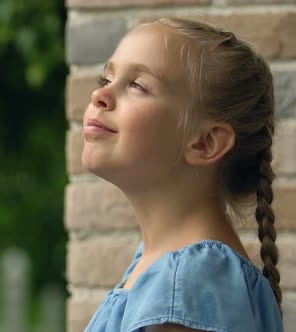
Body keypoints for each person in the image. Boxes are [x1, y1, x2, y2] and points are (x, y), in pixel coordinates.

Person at [81, 17, 284, 332]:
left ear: (205, 142)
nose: (100, 96)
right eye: (105, 78)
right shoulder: (171, 271)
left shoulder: (188, 280)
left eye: (137, 85)